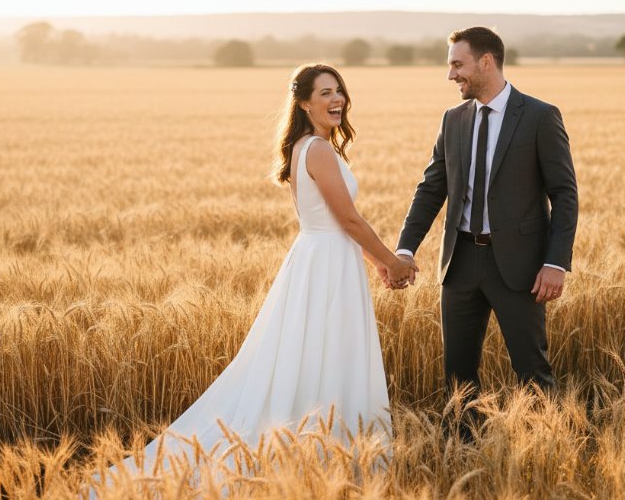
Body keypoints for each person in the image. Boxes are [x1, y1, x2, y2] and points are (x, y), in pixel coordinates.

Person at [92, 63, 409, 491]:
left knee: (314, 355)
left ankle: (319, 450)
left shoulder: (302, 146)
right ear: (304, 102)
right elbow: (349, 220)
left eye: (340, 91)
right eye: (326, 93)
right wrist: (391, 260)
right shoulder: (318, 149)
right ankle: (324, 452)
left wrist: (376, 263)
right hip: (328, 263)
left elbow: (339, 223)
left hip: (321, 259)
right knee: (328, 352)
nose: (337, 100)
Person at [395, 27, 578, 440]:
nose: (451, 76)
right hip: (459, 262)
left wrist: (555, 262)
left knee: (532, 370)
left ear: (486, 62)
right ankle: (463, 453)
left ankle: (542, 450)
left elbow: (564, 195)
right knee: (458, 373)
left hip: (518, 266)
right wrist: (404, 249)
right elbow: (431, 188)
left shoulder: (538, 116)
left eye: (457, 65)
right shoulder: (453, 119)